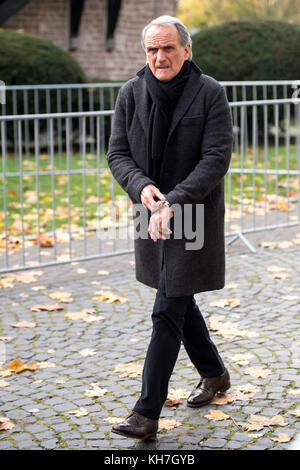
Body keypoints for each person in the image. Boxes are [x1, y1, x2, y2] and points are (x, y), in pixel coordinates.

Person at [106, 15, 233, 441]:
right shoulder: (130, 92)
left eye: (168, 48)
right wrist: (141, 187)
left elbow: (215, 159)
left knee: (167, 309)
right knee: (178, 297)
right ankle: (214, 374)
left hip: (192, 213)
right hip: (151, 212)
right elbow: (117, 153)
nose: (159, 57)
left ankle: (146, 414)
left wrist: (174, 202)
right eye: (152, 50)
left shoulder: (210, 93)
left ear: (186, 51)